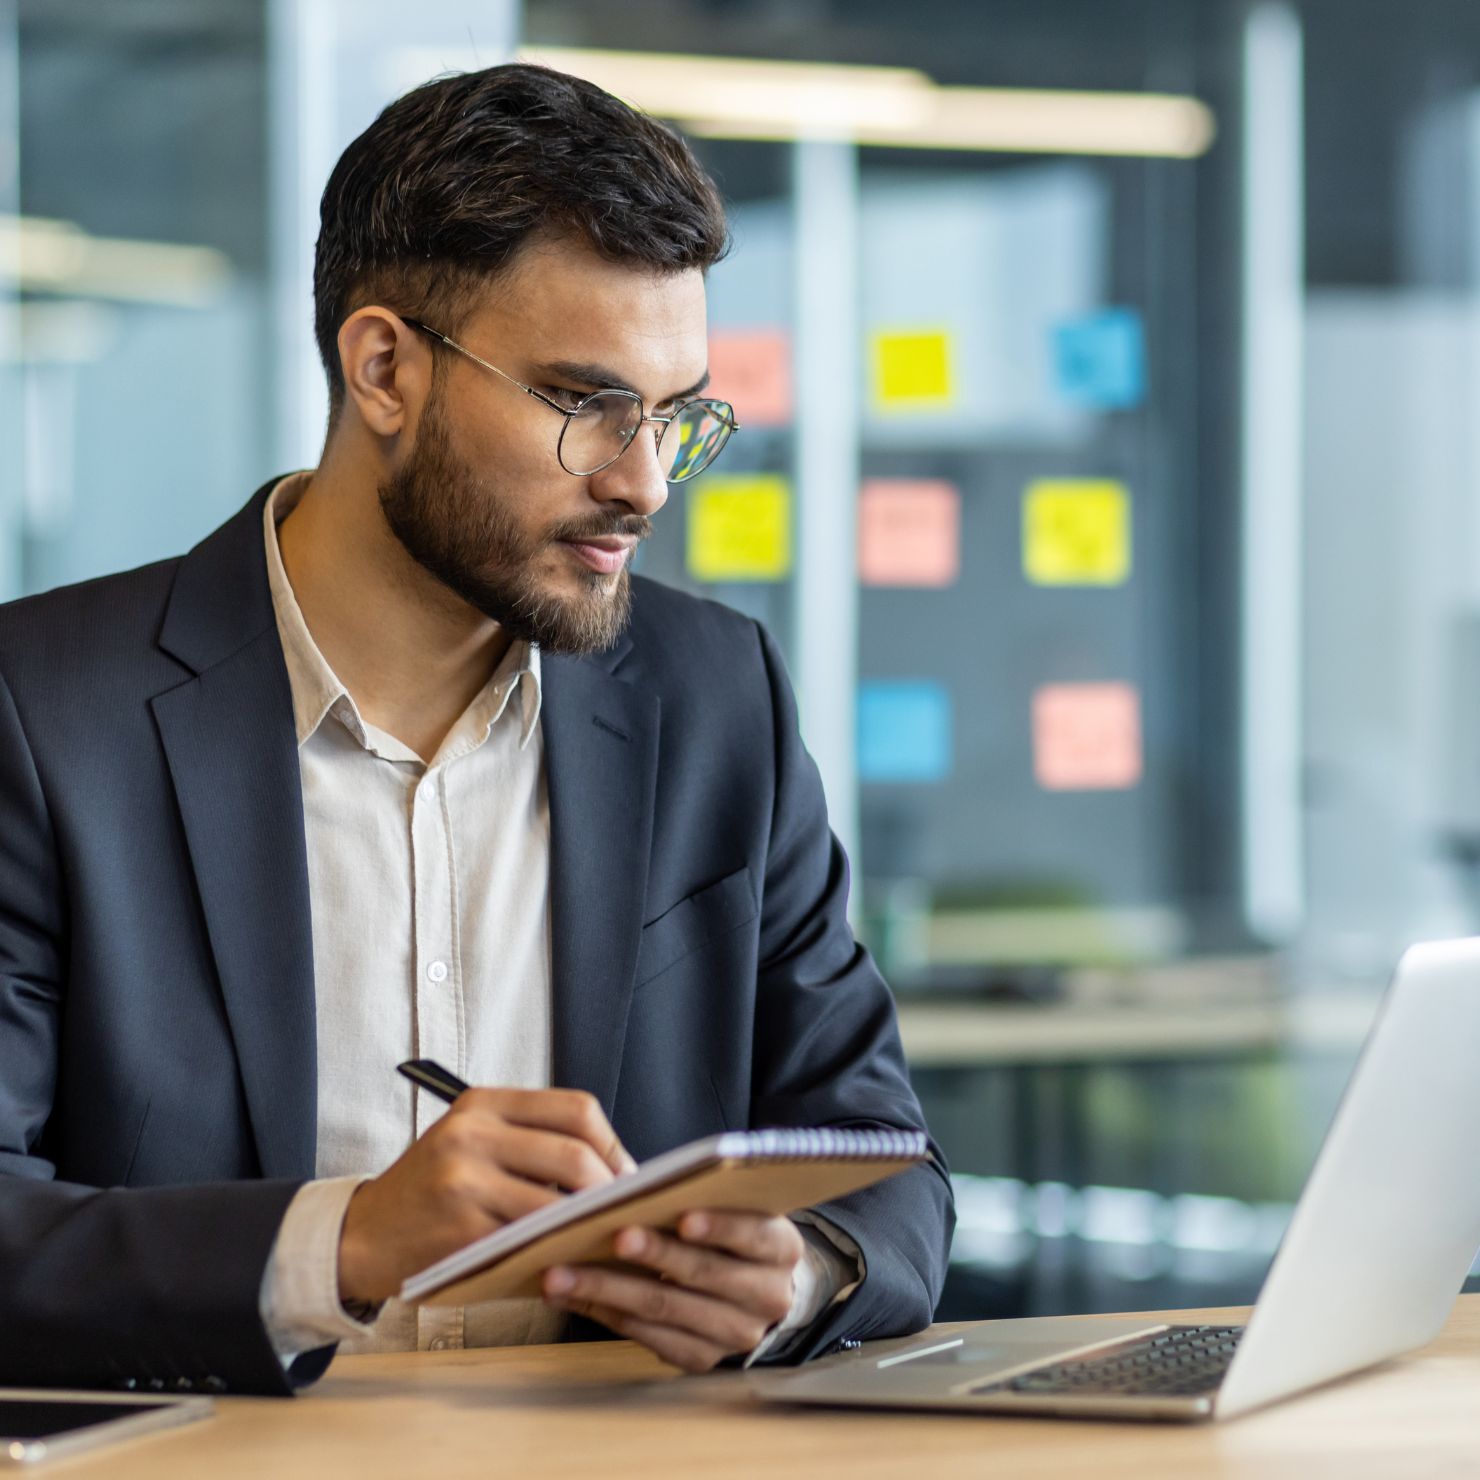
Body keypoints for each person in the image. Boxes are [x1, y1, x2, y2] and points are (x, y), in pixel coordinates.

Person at [0, 62, 953, 1397]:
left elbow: (887, 1158)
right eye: (585, 404)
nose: (642, 483)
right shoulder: (43, 712)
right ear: (382, 366)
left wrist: (799, 1273)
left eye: (676, 416)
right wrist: (344, 1240)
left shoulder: (714, 693)